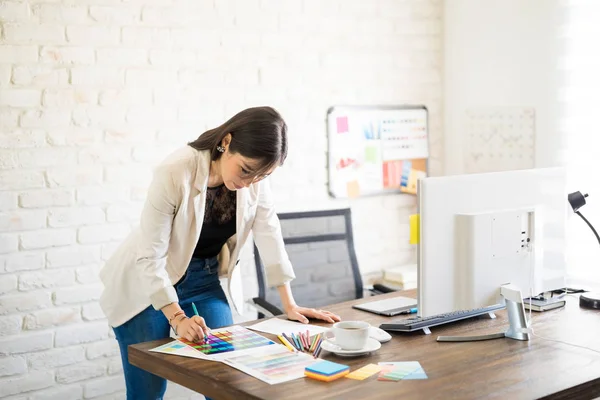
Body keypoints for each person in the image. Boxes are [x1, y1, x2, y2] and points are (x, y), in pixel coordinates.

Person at [99, 106, 341, 399]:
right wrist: (177, 319)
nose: (249, 182)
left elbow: (269, 232)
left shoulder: (255, 179)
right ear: (226, 142)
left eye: (260, 176)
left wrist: (289, 303)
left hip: (203, 279)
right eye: (245, 170)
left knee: (227, 380)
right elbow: (149, 258)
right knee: (147, 392)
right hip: (146, 285)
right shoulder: (175, 171)